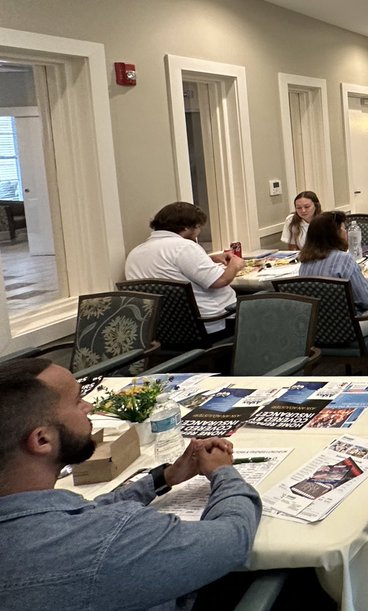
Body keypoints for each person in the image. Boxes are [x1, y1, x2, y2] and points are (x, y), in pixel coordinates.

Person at [0, 358, 261, 609]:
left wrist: (163, 478)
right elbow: (234, 537)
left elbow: (80, 515)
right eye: (77, 401)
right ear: (42, 440)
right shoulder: (110, 539)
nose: (89, 406)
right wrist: (222, 472)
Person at [125, 202, 243, 334]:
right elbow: (220, 281)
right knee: (260, 300)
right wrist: (235, 264)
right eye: (198, 227)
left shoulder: (135, 253)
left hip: (165, 330)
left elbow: (171, 269)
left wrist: (209, 258)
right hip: (213, 324)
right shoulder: (185, 247)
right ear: (187, 227)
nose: (199, 231)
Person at [299, 211, 368, 332]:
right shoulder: (344, 259)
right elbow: (366, 301)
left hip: (317, 329)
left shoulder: (304, 263)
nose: (346, 232)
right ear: (336, 234)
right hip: (349, 328)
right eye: (344, 228)